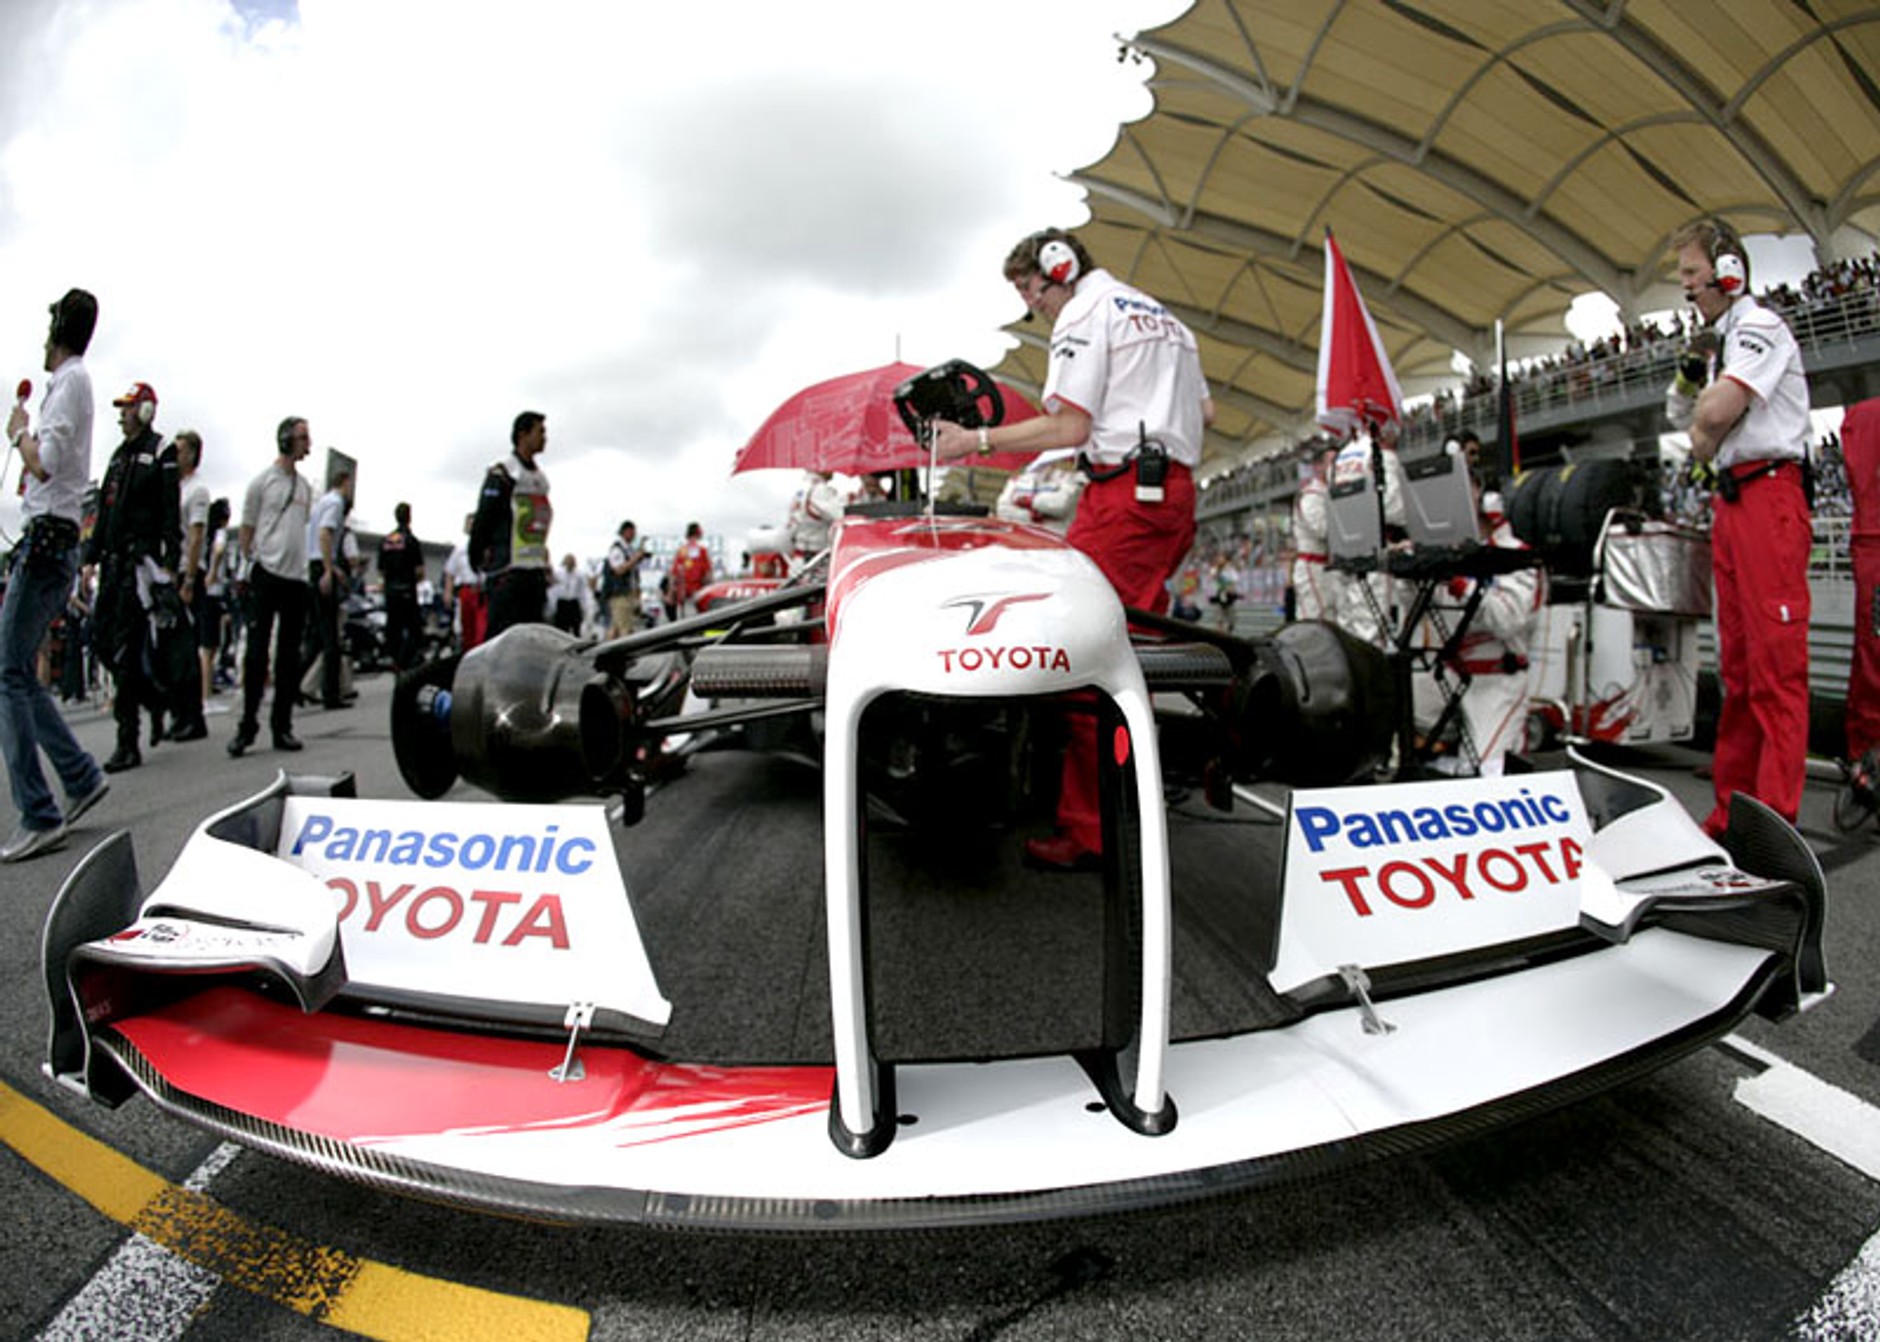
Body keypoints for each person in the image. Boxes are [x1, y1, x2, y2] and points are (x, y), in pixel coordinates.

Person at [934, 227, 1213, 872]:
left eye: (1031, 292)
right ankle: (1140, 795)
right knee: (1136, 655)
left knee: (1084, 658)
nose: (1035, 308)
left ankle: (1093, 832)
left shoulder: (1085, 312)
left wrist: (974, 442)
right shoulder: (1166, 319)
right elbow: (1211, 410)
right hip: (1172, 497)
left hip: (1126, 504)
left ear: (1057, 269)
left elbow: (1070, 426)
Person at [1665, 218, 1812, 838]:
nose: (1687, 289)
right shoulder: (1714, 346)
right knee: (1742, 670)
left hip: (1770, 495)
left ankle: (1775, 821)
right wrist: (1705, 414)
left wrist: (1708, 418)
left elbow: (1715, 414)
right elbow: (1690, 428)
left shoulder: (1758, 325)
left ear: (1729, 272)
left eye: (1693, 274)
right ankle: (1732, 811)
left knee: (1776, 668)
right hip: (1731, 502)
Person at [0, 289, 109, 860]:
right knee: (15, 669)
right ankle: (81, 776)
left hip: (47, 537)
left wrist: (19, 431)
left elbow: (45, 460)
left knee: (7, 672)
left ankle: (39, 811)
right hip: (51, 537)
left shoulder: (69, 382)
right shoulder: (69, 384)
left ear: (57, 332)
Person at [88, 382, 182, 773]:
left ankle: (127, 742)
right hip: (110, 566)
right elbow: (104, 512)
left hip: (138, 567)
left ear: (145, 410)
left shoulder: (161, 451)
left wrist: (171, 566)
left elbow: (169, 512)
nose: (122, 414)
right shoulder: (117, 456)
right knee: (99, 641)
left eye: (128, 407)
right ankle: (154, 698)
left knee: (126, 652)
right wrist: (89, 556)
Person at [229, 417, 314, 756]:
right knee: (256, 654)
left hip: (296, 579)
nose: (308, 443)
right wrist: (251, 563)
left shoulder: (305, 487)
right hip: (266, 574)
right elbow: (246, 529)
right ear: (285, 440)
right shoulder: (261, 483)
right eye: (303, 437)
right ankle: (247, 726)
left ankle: (283, 726)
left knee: (289, 658)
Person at [471, 410, 552, 638]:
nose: (545, 438)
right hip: (507, 571)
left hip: (533, 572)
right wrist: (476, 556)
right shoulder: (504, 473)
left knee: (533, 638)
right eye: (540, 432)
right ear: (522, 435)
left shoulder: (541, 479)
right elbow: (484, 518)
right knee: (502, 638)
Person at [169, 430, 211, 742]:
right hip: (169, 575)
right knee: (171, 652)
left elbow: (196, 536)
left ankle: (193, 717)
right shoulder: (174, 488)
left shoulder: (197, 491)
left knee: (186, 650)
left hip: (187, 575)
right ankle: (179, 713)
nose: (175, 454)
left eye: (180, 449)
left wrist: (190, 579)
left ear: (192, 454)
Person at [305, 467, 354, 709]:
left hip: (313, 564)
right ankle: (330, 694)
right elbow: (325, 534)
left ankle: (295, 684)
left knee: (316, 634)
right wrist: (328, 568)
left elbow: (313, 536)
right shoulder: (335, 504)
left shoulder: (321, 503)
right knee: (330, 637)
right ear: (344, 483)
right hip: (321, 567)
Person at [1290, 444, 1348, 622]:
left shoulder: (1330, 492)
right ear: (1318, 466)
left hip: (1329, 566)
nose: (1336, 466)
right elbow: (1322, 530)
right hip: (1312, 565)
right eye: (1332, 462)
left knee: (1331, 619)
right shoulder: (1311, 494)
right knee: (1315, 619)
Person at [377, 501, 425, 670]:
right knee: (414, 629)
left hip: (390, 591)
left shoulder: (386, 541)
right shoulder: (411, 541)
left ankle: (394, 658)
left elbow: (381, 570)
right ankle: (407, 659)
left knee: (393, 627)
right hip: (407, 590)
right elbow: (419, 571)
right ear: (409, 517)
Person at [444, 513, 484, 651]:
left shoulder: (486, 547)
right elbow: (450, 572)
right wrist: (448, 593)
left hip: (482, 591)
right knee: (466, 629)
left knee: (481, 631)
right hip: (466, 590)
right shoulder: (460, 550)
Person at [601, 519, 648, 635]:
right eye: (632, 532)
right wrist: (635, 559)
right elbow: (619, 570)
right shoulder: (617, 550)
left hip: (628, 592)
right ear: (626, 531)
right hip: (619, 594)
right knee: (625, 628)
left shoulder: (629, 550)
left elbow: (633, 573)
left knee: (616, 628)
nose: (634, 535)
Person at [788, 469, 845, 559]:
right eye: (831, 465)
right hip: (816, 556)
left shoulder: (801, 488)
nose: (834, 470)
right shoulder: (821, 489)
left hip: (799, 553)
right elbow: (841, 516)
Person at [667, 522, 713, 619]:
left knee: (684, 626)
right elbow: (708, 575)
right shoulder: (702, 550)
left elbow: (673, 574)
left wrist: (671, 593)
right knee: (698, 624)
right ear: (698, 532)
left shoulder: (681, 551)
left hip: (682, 594)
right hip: (698, 594)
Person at [549, 553, 588, 633]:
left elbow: (582, 592)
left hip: (574, 602)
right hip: (562, 603)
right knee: (562, 630)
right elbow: (554, 591)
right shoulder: (558, 573)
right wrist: (552, 607)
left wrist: (583, 606)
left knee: (576, 629)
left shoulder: (579, 574)